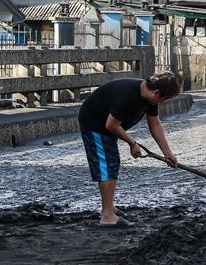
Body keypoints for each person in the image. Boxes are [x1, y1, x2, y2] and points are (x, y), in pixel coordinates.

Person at [78, 72, 182, 228]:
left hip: (108, 125)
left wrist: (168, 153)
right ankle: (107, 216)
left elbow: (155, 124)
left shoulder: (150, 97)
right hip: (95, 124)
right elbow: (111, 125)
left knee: (112, 162)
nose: (163, 102)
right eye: (164, 99)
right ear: (157, 93)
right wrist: (132, 143)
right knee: (107, 164)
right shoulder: (127, 95)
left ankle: (109, 207)